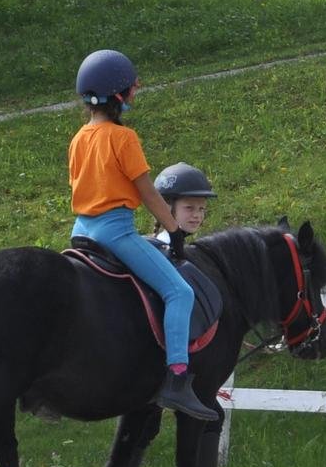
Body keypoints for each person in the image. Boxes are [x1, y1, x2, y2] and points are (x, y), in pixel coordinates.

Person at [66, 49, 220, 423]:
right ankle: (178, 378)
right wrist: (172, 228)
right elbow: (148, 192)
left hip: (80, 231)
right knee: (178, 291)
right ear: (117, 95)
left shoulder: (79, 138)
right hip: (114, 231)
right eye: (130, 88)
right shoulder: (123, 138)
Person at [150, 162, 215, 262]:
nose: (197, 215)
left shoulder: (179, 247)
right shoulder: (166, 251)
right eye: (189, 208)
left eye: (201, 209)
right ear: (166, 207)